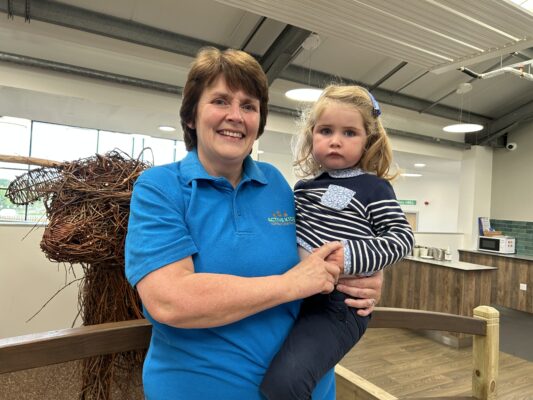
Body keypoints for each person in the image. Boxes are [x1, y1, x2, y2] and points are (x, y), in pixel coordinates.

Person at [125, 47, 384, 400]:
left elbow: (325, 246)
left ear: (258, 122)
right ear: (190, 117)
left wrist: (363, 276)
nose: (235, 115)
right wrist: (289, 285)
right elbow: (170, 300)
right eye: (220, 101)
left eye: (249, 106)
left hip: (308, 387)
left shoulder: (277, 183)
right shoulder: (160, 188)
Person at [260, 85, 414, 400]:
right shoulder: (302, 188)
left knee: (285, 384)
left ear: (368, 140)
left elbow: (401, 238)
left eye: (349, 133)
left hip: (338, 305)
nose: (335, 140)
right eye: (325, 130)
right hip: (297, 294)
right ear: (311, 135)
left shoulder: (374, 188)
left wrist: (349, 258)